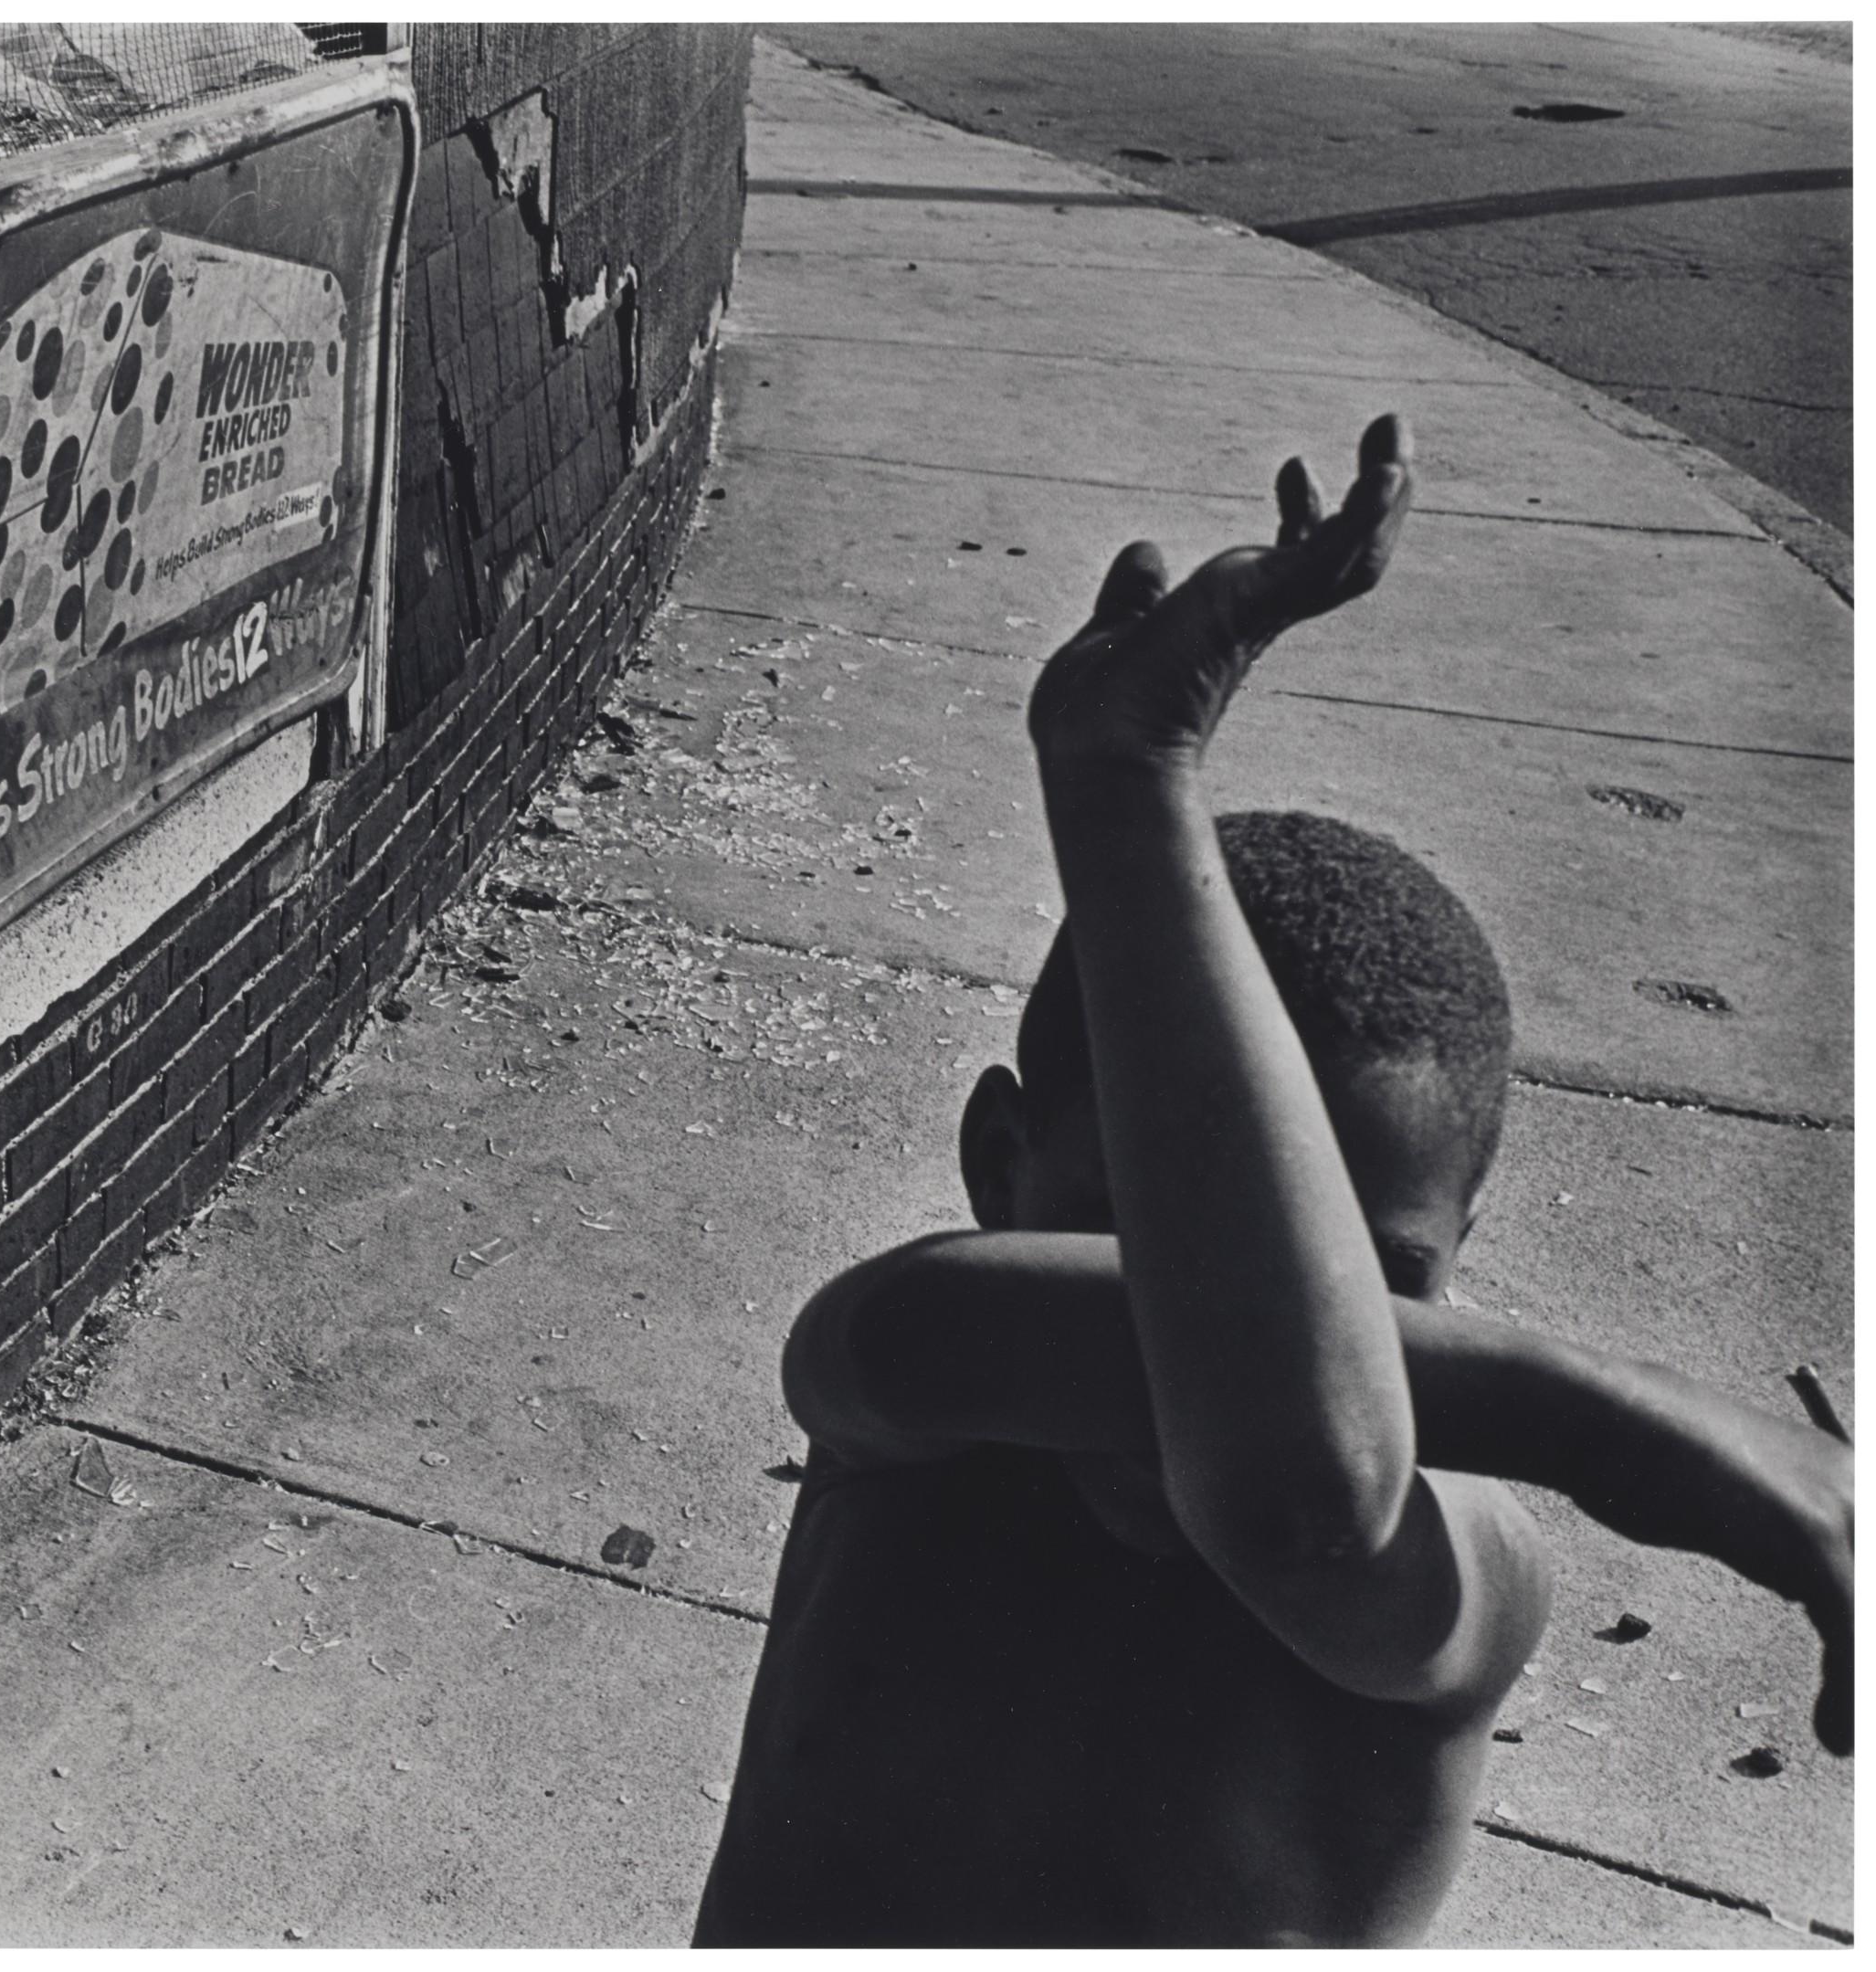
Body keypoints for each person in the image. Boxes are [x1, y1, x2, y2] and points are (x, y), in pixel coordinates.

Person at [692, 416, 1852, 1946]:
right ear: (996, 1168)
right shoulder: (907, 1360)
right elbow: (1247, 1388)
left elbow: (1290, 1489)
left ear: (1457, 1275)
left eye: (1372, 1284)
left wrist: (1126, 787)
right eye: (1130, 1229)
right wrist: (1661, 1435)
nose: (1229, 1327)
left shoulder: (1463, 1570)